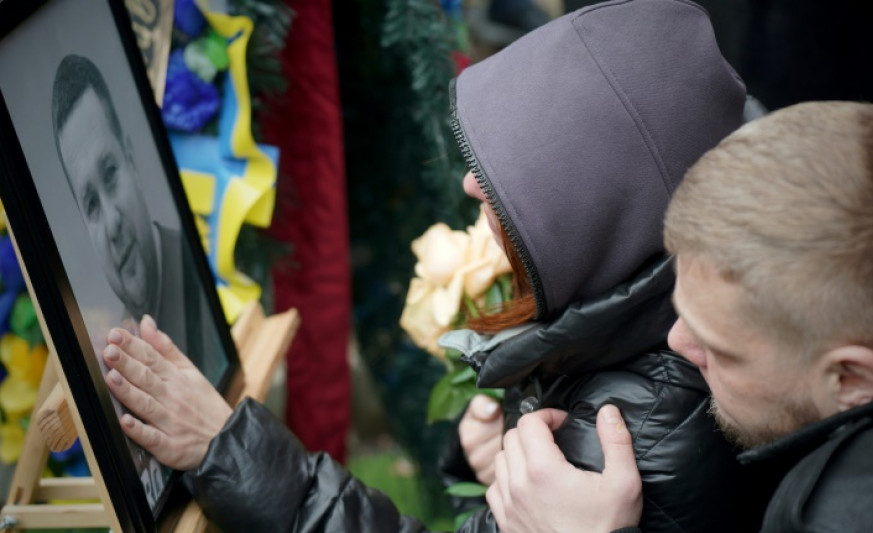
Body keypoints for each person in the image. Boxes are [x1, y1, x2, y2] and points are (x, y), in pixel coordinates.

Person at [100, 0, 776, 530]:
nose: (472, 188)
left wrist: (225, 447)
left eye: (520, 182)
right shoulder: (662, 315)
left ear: (601, 213)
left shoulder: (627, 431)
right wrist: (501, 456)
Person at [487, 100, 873, 532]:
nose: (676, 341)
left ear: (850, 379)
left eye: (720, 348)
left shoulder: (850, 517)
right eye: (682, 310)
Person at [51, 54, 221, 375]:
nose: (113, 223)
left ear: (133, 163)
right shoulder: (115, 361)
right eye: (91, 205)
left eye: (111, 173)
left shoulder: (201, 279)